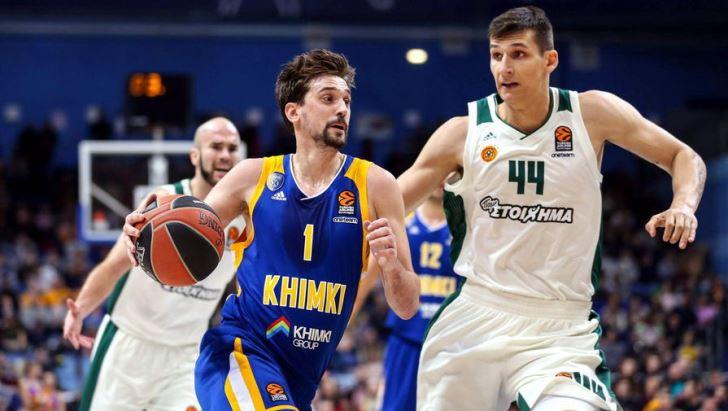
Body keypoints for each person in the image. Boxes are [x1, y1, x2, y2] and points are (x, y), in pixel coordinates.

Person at [396, 6, 707, 411]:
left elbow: (683, 156)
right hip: (476, 319)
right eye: (496, 55)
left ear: (550, 60)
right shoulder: (463, 132)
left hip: (560, 330)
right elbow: (387, 204)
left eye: (518, 54)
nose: (504, 67)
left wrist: (683, 205)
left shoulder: (591, 115)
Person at [122, 49, 420, 411]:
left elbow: (407, 306)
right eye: (328, 98)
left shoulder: (376, 185)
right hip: (239, 353)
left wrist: (391, 267)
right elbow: (191, 227)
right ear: (294, 111)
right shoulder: (253, 176)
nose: (342, 109)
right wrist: (147, 227)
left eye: (346, 100)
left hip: (298, 384)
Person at [63, 117, 244, 411]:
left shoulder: (245, 221)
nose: (225, 154)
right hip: (129, 346)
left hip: (185, 354)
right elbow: (112, 267)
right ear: (195, 155)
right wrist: (80, 308)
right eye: (216, 146)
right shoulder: (161, 205)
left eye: (232, 148)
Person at [356, 184, 459, 411]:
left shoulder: (465, 224)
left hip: (453, 342)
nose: (441, 181)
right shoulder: (400, 220)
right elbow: (367, 276)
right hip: (406, 338)